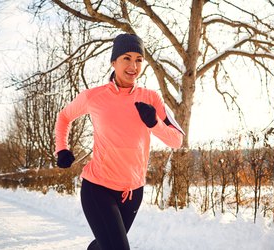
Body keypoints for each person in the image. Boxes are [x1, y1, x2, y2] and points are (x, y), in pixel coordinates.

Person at [55, 33, 184, 250]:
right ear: (114, 61)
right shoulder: (93, 97)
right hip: (98, 188)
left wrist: (154, 123)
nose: (133, 65)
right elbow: (64, 116)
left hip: (133, 192)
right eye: (126, 58)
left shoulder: (151, 98)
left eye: (139, 59)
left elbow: (177, 140)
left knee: (106, 245)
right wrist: (62, 148)